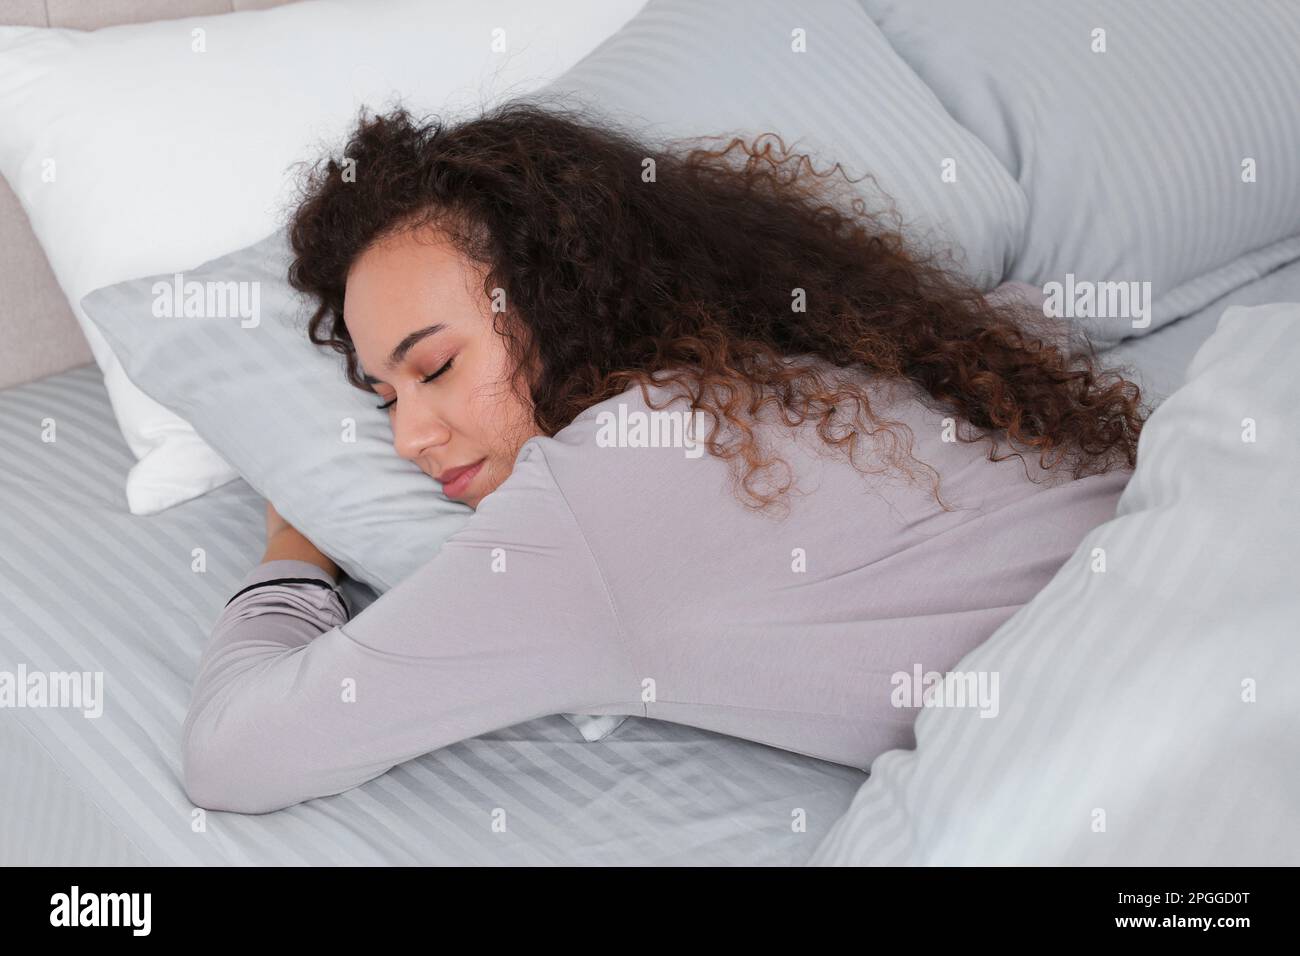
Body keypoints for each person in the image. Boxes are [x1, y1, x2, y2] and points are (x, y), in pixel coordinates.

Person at [180, 101, 1146, 814]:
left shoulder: (594, 508)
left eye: (435, 366)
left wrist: (293, 559)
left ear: (561, 297)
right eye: (383, 398)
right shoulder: (809, 357)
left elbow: (234, 757)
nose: (408, 438)